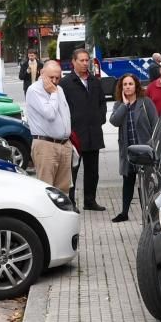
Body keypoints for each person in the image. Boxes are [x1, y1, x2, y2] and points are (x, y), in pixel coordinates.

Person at [60, 48, 108, 211]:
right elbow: (62, 107)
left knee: (93, 171)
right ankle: (71, 202)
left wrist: (100, 118)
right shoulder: (66, 83)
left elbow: (102, 102)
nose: (85, 63)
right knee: (72, 171)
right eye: (81, 60)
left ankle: (90, 201)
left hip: (93, 133)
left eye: (87, 60)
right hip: (75, 135)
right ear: (73, 62)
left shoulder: (94, 81)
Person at [108, 74, 158, 223]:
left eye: (130, 84)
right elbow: (114, 121)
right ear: (121, 88)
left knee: (146, 184)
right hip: (128, 152)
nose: (128, 87)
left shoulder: (145, 103)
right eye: (125, 84)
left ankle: (148, 214)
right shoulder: (119, 105)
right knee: (127, 182)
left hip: (144, 151)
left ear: (136, 86)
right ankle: (124, 212)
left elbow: (155, 124)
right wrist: (124, 105)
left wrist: (153, 145)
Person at [24, 61, 73, 194]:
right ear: (41, 73)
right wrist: (54, 93)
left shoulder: (59, 89)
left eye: (57, 78)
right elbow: (49, 114)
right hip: (46, 145)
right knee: (46, 190)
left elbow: (65, 114)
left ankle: (62, 214)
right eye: (51, 77)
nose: (54, 81)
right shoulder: (34, 90)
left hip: (64, 144)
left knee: (63, 190)